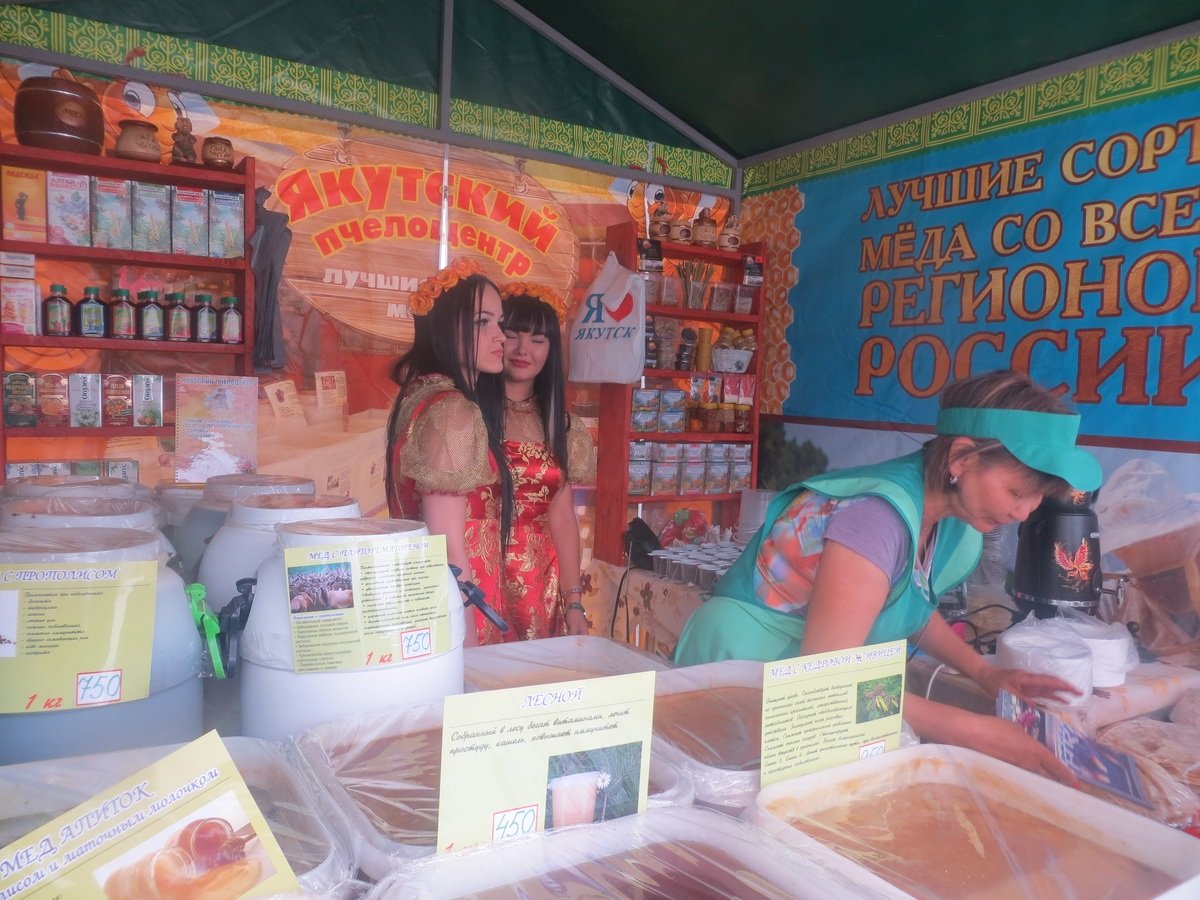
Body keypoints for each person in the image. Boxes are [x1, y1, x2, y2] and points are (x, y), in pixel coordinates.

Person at [674, 369, 1103, 783]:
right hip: (744, 673)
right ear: (961, 458)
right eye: (1016, 492)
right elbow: (825, 680)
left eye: (1037, 498)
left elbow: (908, 605)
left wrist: (984, 673)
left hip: (810, 686)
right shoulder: (875, 520)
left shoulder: (954, 520)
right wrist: (969, 729)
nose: (1024, 513)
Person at [386, 258, 513, 645]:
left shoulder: (419, 396)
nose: (501, 336)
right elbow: (449, 549)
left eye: (500, 322)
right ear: (444, 328)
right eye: (482, 322)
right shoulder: (451, 411)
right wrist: (466, 643)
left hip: (430, 601)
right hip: (462, 610)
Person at [499, 282, 596, 639]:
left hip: (540, 587)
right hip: (480, 577)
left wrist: (574, 602)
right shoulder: (466, 416)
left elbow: (563, 519)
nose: (523, 349)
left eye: (538, 340)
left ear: (551, 349)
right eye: (512, 335)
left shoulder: (562, 427)